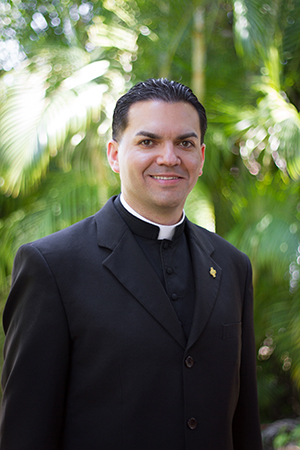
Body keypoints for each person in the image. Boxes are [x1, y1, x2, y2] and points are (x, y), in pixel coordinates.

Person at [0, 78, 263, 450]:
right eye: (148, 141)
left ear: (200, 158)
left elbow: (244, 424)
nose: (169, 157)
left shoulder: (233, 266)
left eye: (184, 143)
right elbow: (25, 433)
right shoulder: (51, 266)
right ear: (113, 154)